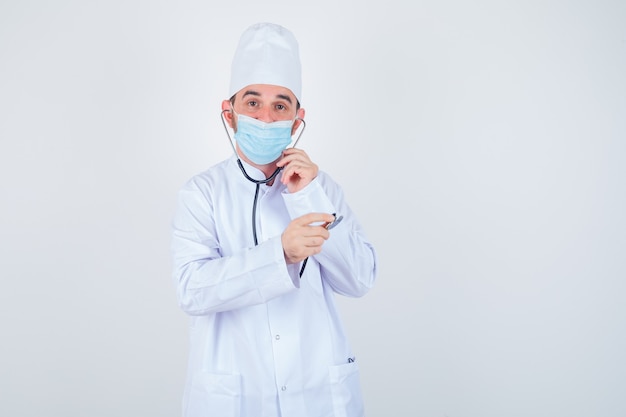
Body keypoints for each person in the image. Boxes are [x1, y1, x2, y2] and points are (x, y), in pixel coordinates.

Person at [171, 22, 377, 417]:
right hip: (235, 393)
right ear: (229, 113)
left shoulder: (323, 189)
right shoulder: (201, 193)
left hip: (317, 389)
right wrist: (280, 253)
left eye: (280, 105)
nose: (266, 117)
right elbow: (191, 290)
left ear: (297, 120)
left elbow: (360, 279)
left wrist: (307, 197)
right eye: (253, 102)